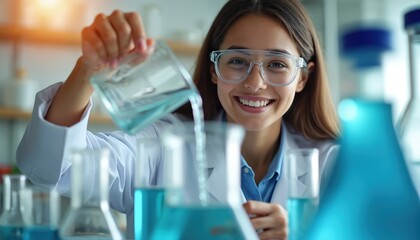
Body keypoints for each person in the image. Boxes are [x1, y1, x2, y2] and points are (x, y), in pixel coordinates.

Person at [16, 0, 340, 239]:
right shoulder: (163, 145)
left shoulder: (335, 164)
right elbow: (51, 166)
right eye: (237, 61)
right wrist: (88, 70)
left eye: (277, 64)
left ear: (303, 78)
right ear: (214, 70)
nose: (255, 83)